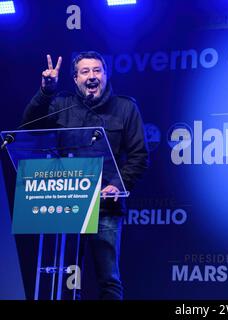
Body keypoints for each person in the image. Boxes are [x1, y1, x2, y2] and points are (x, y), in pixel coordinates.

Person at [22, 51, 149, 299]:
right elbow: (28, 128)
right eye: (85, 71)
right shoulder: (61, 104)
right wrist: (46, 91)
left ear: (105, 74)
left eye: (97, 70)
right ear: (76, 78)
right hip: (67, 203)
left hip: (105, 206)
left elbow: (139, 155)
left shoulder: (125, 107)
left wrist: (117, 184)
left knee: (109, 280)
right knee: (64, 278)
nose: (92, 76)